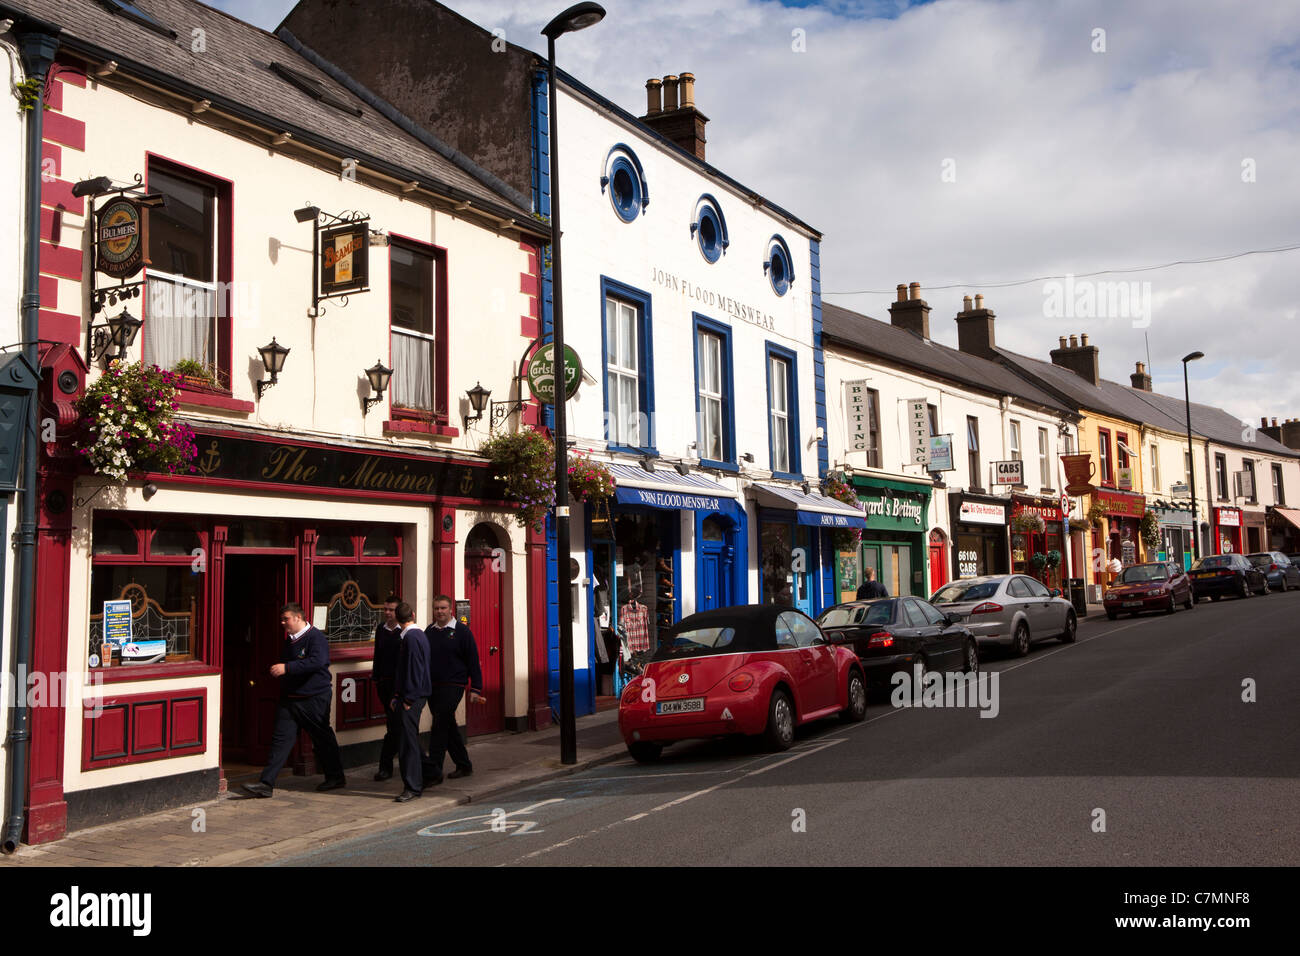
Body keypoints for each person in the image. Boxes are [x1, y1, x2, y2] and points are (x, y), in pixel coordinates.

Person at [242, 603, 345, 798]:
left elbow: (318, 662)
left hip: (314, 698)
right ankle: (266, 784)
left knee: (322, 739)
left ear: (298, 618)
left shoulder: (316, 638)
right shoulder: (289, 640)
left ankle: (335, 777)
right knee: (280, 741)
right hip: (290, 699)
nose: (282, 623)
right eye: (282, 619)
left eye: (286, 619)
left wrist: (287, 668)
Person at [423, 595, 484, 784]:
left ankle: (434, 771)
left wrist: (476, 688)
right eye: (436, 608)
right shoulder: (429, 632)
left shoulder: (462, 632)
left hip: (454, 685)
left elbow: (473, 660)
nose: (439, 612)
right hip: (433, 686)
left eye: (443, 608)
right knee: (447, 725)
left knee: (439, 725)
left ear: (451, 610)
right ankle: (464, 764)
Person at [391, 602, 431, 802]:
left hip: (412, 697)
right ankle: (431, 773)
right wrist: (399, 695)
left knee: (407, 743)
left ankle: (413, 787)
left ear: (397, 621)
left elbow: (415, 670)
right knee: (411, 739)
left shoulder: (412, 638)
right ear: (413, 615)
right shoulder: (418, 635)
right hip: (411, 695)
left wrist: (407, 698)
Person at [371, 596, 401, 782]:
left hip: (400, 686)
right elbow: (377, 655)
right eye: (386, 609)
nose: (387, 613)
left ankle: (385, 766)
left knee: (396, 726)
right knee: (394, 725)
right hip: (384, 683)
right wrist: (376, 678)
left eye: (391, 609)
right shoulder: (381, 629)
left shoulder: (405, 631)